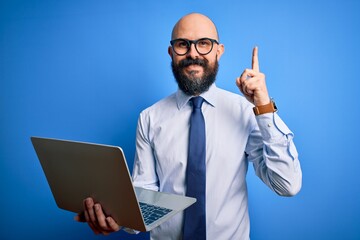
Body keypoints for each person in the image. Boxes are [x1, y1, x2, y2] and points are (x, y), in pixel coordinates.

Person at [75, 12, 302, 240]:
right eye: (183, 44)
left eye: (204, 43)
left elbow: (287, 184)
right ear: (171, 52)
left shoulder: (244, 112)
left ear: (218, 51)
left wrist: (263, 107)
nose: (193, 53)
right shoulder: (150, 118)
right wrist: (120, 218)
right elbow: (145, 197)